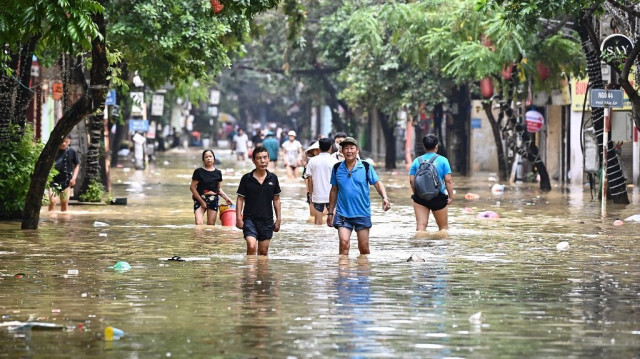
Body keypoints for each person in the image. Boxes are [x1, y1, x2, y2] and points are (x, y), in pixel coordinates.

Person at [327, 137, 391, 255]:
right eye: (346, 148)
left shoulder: (366, 167)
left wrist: (385, 197)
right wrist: (330, 212)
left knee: (364, 248)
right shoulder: (336, 168)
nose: (349, 151)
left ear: (357, 150)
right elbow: (334, 190)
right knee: (344, 243)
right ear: (341, 151)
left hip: (362, 213)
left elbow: (377, 183)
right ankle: (343, 272)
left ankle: (362, 272)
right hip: (343, 214)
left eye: (352, 148)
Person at [236, 146, 282, 256]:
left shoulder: (273, 179)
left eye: (265, 157)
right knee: (251, 246)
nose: (262, 161)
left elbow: (276, 199)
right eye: (259, 158)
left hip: (267, 221)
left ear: (269, 159)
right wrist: (238, 217)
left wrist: (279, 219)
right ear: (253, 161)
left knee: (263, 252)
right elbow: (240, 199)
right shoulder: (246, 178)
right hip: (249, 219)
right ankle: (250, 272)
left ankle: (260, 272)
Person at [409, 134, 454, 233]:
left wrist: (417, 193)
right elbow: (448, 180)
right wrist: (450, 197)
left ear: (425, 146)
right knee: (443, 229)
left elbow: (412, 180)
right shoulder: (443, 160)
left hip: (420, 198)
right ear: (436, 146)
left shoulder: (416, 161)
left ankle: (419, 247)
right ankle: (443, 248)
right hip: (438, 197)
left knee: (420, 228)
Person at [190, 150, 233, 225]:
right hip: (200, 198)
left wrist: (227, 198)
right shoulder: (198, 171)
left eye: (210, 156)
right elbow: (192, 188)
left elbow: (218, 189)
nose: (208, 158)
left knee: (211, 225)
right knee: (198, 223)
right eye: (206, 157)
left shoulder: (218, 173)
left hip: (213, 200)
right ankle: (199, 237)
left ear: (214, 158)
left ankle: (208, 237)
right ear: (203, 160)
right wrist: (202, 202)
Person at [306, 138, 338, 225]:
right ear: (331, 147)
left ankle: (318, 237)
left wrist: (310, 194)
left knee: (317, 223)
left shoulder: (312, 161)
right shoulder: (335, 162)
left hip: (317, 195)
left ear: (319, 147)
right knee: (332, 221)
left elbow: (309, 179)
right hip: (332, 195)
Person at [48, 135, 80, 212]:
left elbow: (76, 165)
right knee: (52, 201)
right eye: (62, 141)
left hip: (66, 182)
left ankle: (64, 222)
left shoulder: (72, 152)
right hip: (53, 181)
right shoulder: (52, 151)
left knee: (64, 205)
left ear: (69, 142)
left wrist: (74, 178)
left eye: (66, 141)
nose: (64, 143)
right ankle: (51, 220)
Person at [302, 141, 320, 218]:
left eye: (319, 149)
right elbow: (306, 179)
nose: (317, 151)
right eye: (315, 150)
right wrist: (309, 192)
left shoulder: (330, 161)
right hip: (312, 191)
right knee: (313, 216)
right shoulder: (309, 163)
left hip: (325, 192)